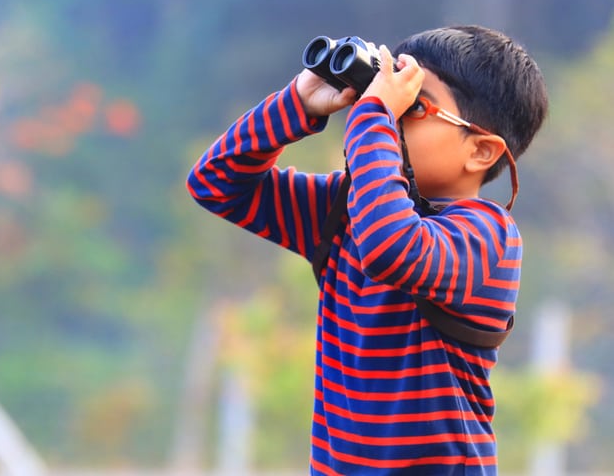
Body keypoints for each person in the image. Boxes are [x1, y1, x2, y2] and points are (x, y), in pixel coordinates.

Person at [186, 25, 549, 474]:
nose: (389, 116)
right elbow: (215, 182)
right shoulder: (345, 209)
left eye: (412, 105)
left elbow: (392, 249)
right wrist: (297, 103)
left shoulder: (488, 236)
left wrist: (373, 115)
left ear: (480, 152)